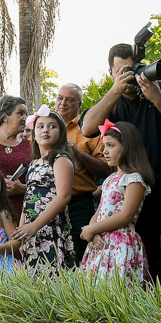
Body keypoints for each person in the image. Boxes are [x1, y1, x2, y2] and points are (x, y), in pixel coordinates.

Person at [81, 44, 161, 279]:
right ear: (111, 73)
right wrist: (114, 91)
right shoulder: (111, 100)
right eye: (121, 70)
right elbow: (87, 128)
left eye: (132, 68)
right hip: (126, 198)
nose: (128, 75)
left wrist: (156, 97)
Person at [79, 121, 155, 282]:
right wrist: (93, 233)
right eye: (104, 146)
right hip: (101, 242)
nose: (105, 151)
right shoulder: (109, 179)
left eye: (110, 146)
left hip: (120, 244)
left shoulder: (133, 179)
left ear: (127, 146)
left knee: (118, 289)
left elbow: (125, 216)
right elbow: (99, 212)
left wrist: (92, 229)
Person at [13, 106, 76, 271]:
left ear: (61, 133)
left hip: (50, 228)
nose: (46, 130)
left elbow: (63, 197)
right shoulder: (34, 162)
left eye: (52, 126)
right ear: (33, 134)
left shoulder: (60, 159)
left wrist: (35, 226)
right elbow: (28, 198)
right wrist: (23, 230)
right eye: (40, 126)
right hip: (31, 231)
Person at [55, 83, 110, 262]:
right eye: (60, 98)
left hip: (79, 204)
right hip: (46, 204)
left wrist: (78, 153)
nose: (63, 103)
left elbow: (107, 168)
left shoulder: (89, 129)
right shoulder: (42, 128)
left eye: (69, 100)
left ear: (80, 105)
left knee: (81, 257)